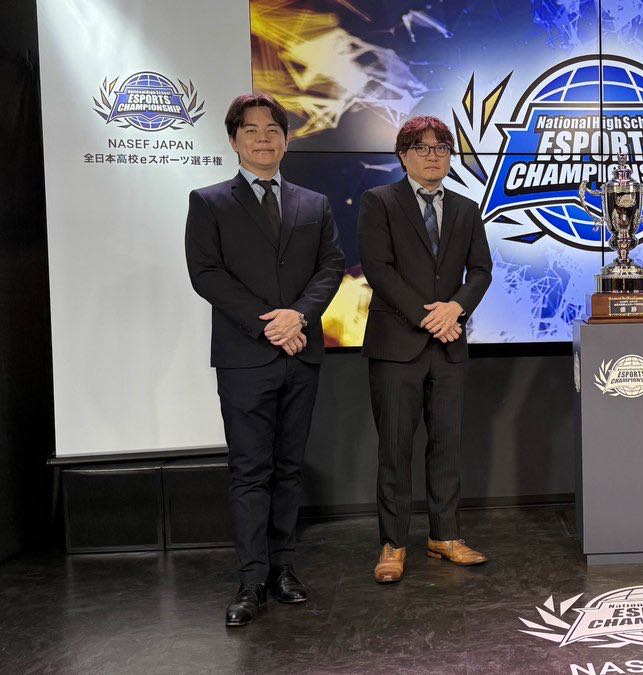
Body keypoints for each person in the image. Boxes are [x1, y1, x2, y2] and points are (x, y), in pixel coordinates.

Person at [185, 93, 345, 626]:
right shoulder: (209, 202)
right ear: (233, 141)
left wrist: (298, 316)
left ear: (286, 139)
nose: (263, 138)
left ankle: (283, 569)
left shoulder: (313, 204)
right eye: (250, 130)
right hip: (245, 357)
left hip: (301, 354)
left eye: (272, 129)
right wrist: (270, 324)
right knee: (250, 471)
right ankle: (251, 579)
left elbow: (331, 267)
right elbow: (206, 275)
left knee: (289, 469)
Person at [358, 116, 493, 583]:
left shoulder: (466, 208)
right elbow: (378, 268)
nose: (432, 156)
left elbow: (481, 270)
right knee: (395, 449)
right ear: (403, 155)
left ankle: (445, 535)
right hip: (397, 345)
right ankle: (394, 544)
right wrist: (428, 317)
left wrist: (455, 308)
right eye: (421, 147)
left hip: (449, 346)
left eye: (441, 148)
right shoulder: (379, 202)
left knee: (447, 446)